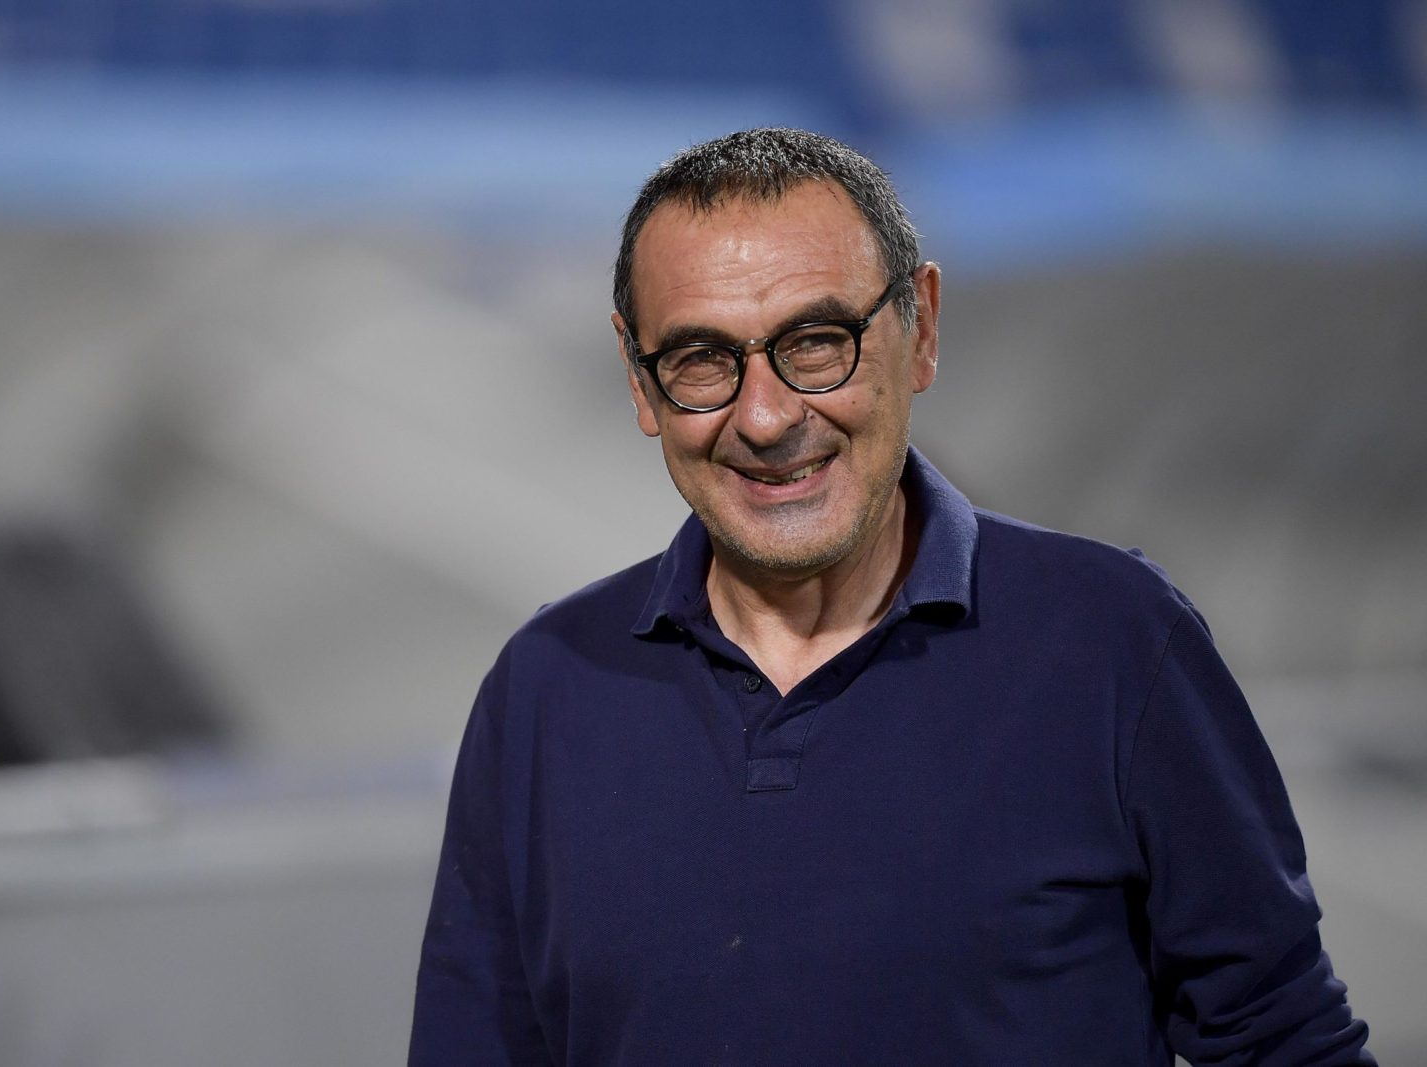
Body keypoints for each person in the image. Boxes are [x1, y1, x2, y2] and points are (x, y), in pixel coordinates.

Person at [409, 128, 1372, 1065]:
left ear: (922, 328)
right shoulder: (545, 688)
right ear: (638, 378)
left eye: (817, 342)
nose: (766, 415)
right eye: (702, 360)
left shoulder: (1114, 642)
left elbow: (1282, 1039)